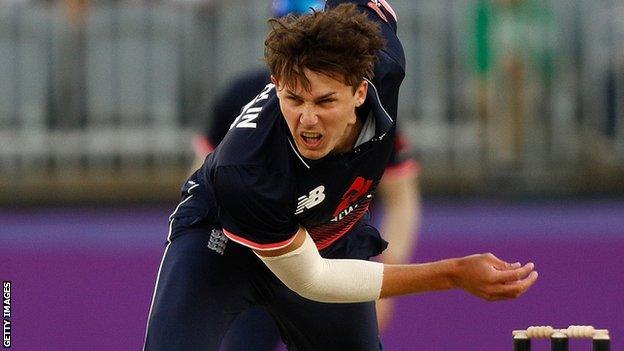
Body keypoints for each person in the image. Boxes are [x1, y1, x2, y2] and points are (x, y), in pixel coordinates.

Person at [144, 2, 538, 350]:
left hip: (332, 235)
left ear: (361, 92)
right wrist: (453, 273)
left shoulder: (383, 63)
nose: (307, 119)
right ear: (276, 85)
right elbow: (313, 280)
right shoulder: (245, 171)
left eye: (325, 100)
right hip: (222, 244)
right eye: (293, 99)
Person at [192, 0, 420, 341]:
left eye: (325, 100)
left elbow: (402, 198)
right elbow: (206, 181)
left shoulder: (370, 106)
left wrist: (385, 278)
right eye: (294, 98)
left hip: (331, 247)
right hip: (255, 251)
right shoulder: (239, 97)